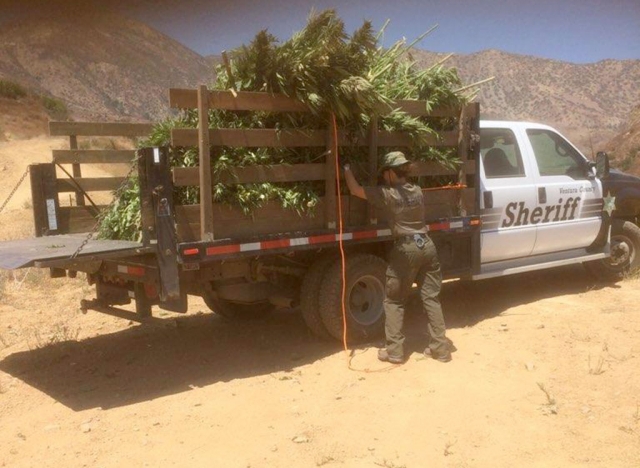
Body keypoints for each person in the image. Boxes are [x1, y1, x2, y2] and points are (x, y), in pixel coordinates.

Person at [343, 151, 452, 363]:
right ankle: (440, 349)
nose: (384, 177)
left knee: (394, 301)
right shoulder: (418, 191)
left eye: (385, 173)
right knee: (430, 297)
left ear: (392, 173)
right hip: (427, 246)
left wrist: (346, 169)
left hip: (406, 249)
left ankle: (394, 351)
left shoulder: (388, 194)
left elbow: (355, 190)